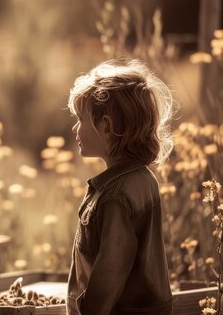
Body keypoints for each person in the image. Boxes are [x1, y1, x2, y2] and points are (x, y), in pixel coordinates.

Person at [66, 59, 175, 314]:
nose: (74, 128)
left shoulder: (114, 197)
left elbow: (109, 274)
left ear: (106, 126)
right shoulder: (144, 179)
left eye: (81, 119)